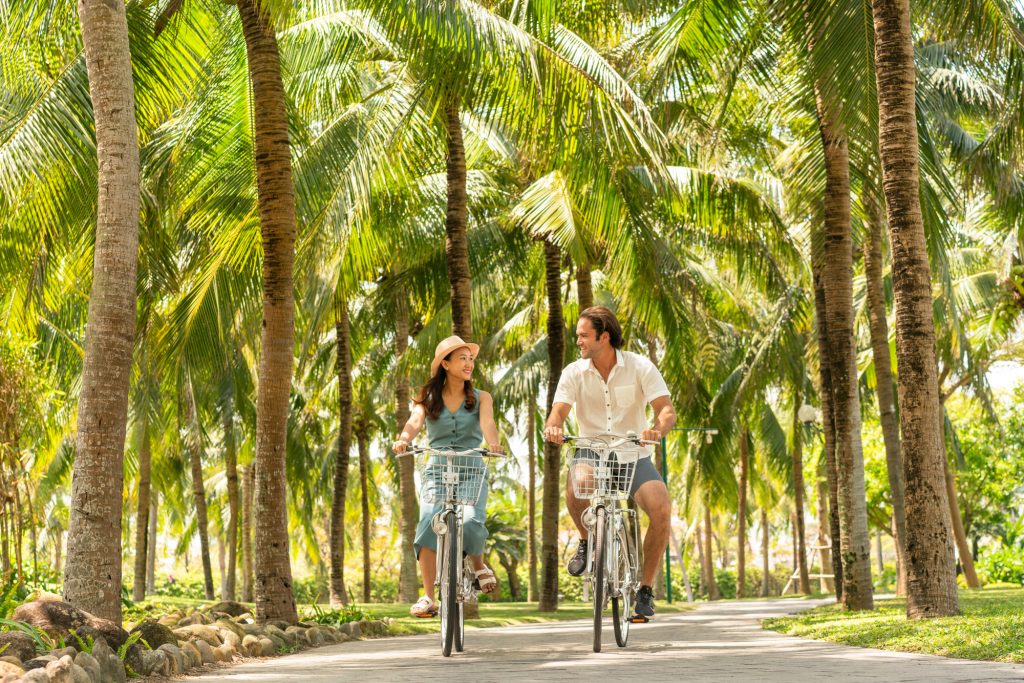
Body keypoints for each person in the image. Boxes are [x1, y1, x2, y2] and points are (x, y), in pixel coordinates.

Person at [543, 306, 676, 618]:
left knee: (661, 508)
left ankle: (644, 590)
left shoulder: (640, 366)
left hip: (632, 451)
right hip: (591, 447)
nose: (578, 341)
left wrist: (656, 431)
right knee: (579, 487)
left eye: (584, 335)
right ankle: (588, 540)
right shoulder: (573, 372)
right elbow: (559, 411)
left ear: (604, 337)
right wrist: (554, 426)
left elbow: (666, 410)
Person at [394, 335, 503, 618]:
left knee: (470, 520)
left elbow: (488, 423)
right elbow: (414, 422)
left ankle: (477, 564)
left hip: (470, 467)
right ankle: (429, 596)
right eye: (462, 359)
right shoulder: (428, 399)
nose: (468, 364)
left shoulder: (482, 398)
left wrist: (493, 444)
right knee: (428, 521)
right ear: (445, 364)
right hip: (437, 469)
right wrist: (404, 439)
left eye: (471, 359)